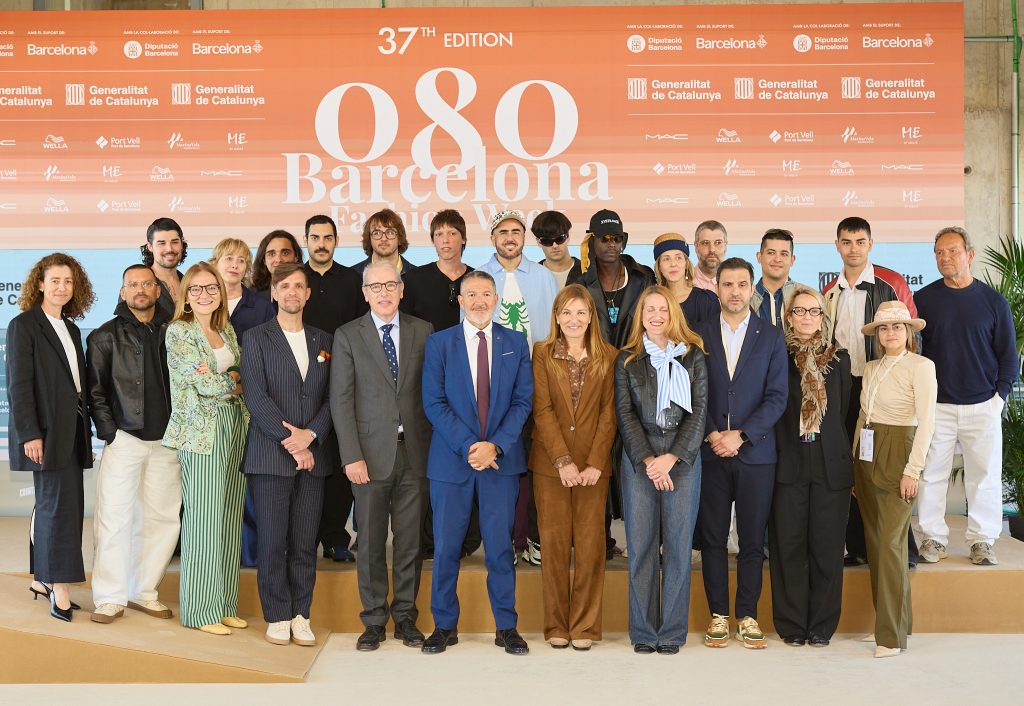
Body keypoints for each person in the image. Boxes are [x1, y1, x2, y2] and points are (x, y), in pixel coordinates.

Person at [421, 270, 533, 656]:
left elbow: (522, 401)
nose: (480, 301)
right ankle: (443, 626)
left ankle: (506, 626)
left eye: (486, 294)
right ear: (460, 300)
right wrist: (471, 445)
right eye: (472, 294)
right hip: (452, 462)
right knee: (446, 548)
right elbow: (433, 401)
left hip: (500, 464)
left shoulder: (514, 342)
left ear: (496, 299)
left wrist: (495, 447)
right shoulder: (439, 343)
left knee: (500, 548)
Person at [333, 262, 434, 652]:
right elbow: (341, 401)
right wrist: (351, 456)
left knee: (409, 542)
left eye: (391, 284)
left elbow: (432, 393)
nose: (384, 292)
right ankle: (374, 619)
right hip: (368, 457)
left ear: (401, 289)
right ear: (365, 293)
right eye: (375, 286)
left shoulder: (423, 331)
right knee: (371, 542)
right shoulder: (348, 335)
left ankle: (406, 617)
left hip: (415, 454)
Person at [694, 257, 787, 650]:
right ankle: (718, 615)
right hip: (711, 452)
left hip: (756, 455)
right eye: (727, 284)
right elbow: (691, 392)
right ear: (716, 288)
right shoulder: (698, 334)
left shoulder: (771, 336)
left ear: (753, 289)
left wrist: (742, 436)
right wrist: (713, 433)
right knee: (713, 539)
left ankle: (747, 615)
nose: (735, 292)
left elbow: (777, 397)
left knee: (751, 540)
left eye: (742, 284)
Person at [241, 263, 335, 648]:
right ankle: (277, 614)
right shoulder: (255, 338)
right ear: (275, 293)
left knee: (304, 543)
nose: (292, 291)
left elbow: (332, 397)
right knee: (273, 543)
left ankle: (301, 613)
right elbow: (256, 396)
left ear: (307, 294)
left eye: (299, 285)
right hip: (271, 457)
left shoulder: (324, 340)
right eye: (285, 286)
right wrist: (293, 441)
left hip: (313, 458)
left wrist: (310, 436)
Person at [915, 227, 1017, 566]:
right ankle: (932, 538)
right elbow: (915, 353)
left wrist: (998, 399)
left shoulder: (994, 302)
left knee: (984, 477)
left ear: (969, 255)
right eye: (939, 253)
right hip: (938, 406)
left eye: (953, 251)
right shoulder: (923, 300)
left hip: (983, 404)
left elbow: (1008, 357)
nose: (945, 258)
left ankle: (982, 541)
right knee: (932, 474)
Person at [615, 286, 708, 654]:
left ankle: (671, 632)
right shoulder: (626, 360)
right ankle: (642, 631)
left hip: (682, 461)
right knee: (640, 547)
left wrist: (673, 457)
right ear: (641, 315)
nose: (656, 316)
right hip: (640, 461)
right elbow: (625, 414)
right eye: (649, 309)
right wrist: (648, 459)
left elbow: (699, 412)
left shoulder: (693, 355)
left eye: (663, 310)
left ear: (673, 315)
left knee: (678, 548)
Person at [822, 216, 919, 567]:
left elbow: (912, 337)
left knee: (887, 470)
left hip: (881, 383)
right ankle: (858, 546)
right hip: (843, 390)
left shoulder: (890, 283)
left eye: (860, 242)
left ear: (870, 244)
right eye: (846, 242)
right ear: (837, 245)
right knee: (853, 467)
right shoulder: (829, 291)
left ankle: (904, 550)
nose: (853, 249)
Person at [87, 264, 180, 625]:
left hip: (167, 441)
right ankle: (110, 597)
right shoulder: (104, 336)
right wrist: (110, 433)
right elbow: (95, 392)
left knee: (162, 519)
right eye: (133, 285)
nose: (140, 290)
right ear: (123, 292)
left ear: (158, 290)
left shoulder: (175, 332)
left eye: (147, 284)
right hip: (125, 439)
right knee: (114, 519)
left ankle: (143, 591)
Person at [7, 253, 95, 622]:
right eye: (55, 280)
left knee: (59, 506)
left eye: (68, 281)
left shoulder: (71, 329)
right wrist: (30, 433)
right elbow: (19, 385)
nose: (62, 287)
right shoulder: (24, 325)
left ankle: (42, 579)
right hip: (45, 434)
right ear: (40, 284)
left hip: (72, 430)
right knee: (58, 509)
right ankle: (60, 586)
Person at [163, 262, 249, 635]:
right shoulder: (179, 332)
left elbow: (240, 374)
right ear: (186, 296)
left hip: (234, 425)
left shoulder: (225, 329)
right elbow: (205, 384)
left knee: (228, 517)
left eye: (211, 287)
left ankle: (224, 604)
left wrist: (230, 379)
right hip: (201, 433)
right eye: (196, 288)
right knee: (203, 520)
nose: (204, 294)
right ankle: (200, 611)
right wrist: (231, 381)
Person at [530, 285, 617, 650]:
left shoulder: (609, 356)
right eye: (566, 312)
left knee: (590, 546)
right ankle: (555, 624)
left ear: (591, 316)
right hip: (551, 465)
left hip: (593, 468)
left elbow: (609, 414)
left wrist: (595, 462)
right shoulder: (542, 353)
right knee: (552, 546)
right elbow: (542, 409)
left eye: (581, 312)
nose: (573, 319)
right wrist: (562, 460)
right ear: (556, 316)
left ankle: (584, 627)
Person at [768, 286, 852, 647]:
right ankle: (791, 625)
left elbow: (845, 412)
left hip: (830, 463)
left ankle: (821, 626)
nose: (806, 317)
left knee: (827, 549)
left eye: (813, 311)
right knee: (788, 546)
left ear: (823, 317)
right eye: (799, 311)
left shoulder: (840, 359)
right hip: (788, 461)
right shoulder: (776, 356)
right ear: (788, 317)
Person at [853, 301, 936, 658]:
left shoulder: (922, 366)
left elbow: (928, 422)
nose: (890, 333)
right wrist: (856, 462)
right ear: (877, 335)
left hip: (900, 449)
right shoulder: (871, 367)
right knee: (875, 543)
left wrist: (912, 470)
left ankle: (890, 636)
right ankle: (893, 623)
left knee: (890, 544)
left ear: (909, 332)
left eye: (898, 327)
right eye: (884, 328)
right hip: (868, 453)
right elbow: (863, 416)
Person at [477, 209, 558, 565]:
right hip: (494, 387)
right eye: (502, 232)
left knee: (538, 462)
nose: (509, 237)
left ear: (525, 237)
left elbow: (553, 330)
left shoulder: (542, 277)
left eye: (515, 231)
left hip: (538, 383)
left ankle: (535, 538)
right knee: (502, 464)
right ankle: (506, 541)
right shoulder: (479, 277)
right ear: (492, 237)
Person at [400, 209, 481, 560]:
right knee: (432, 464)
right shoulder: (415, 280)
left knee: (471, 455)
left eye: (452, 233)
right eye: (439, 234)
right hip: (426, 383)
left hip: (473, 384)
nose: (446, 240)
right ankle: (428, 540)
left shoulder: (478, 279)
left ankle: (468, 539)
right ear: (432, 240)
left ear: (463, 238)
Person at [302, 214, 367, 563]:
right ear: (306, 241)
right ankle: (304, 538)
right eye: (315, 237)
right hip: (301, 382)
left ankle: (335, 538)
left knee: (341, 462)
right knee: (309, 462)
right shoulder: (296, 280)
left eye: (328, 238)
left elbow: (362, 329)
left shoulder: (352, 280)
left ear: (336, 241)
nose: (321, 244)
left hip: (344, 381)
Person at [211, 237, 275, 567]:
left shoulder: (262, 306)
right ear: (216, 263)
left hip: (251, 404)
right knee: (216, 483)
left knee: (248, 481)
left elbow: (269, 354)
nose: (235, 265)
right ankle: (217, 551)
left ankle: (249, 552)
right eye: (229, 259)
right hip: (211, 406)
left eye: (241, 260)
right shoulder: (202, 301)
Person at [570, 209, 656, 350]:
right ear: (592, 241)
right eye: (605, 238)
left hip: (634, 359)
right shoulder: (579, 277)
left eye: (617, 238)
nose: (612, 244)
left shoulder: (644, 276)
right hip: (593, 359)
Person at [652, 232, 720, 327]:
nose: (673, 264)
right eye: (666, 259)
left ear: (686, 264)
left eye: (678, 258)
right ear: (659, 267)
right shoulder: (652, 302)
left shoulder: (707, 300)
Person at [750, 229, 809, 328]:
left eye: (784, 254)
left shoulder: (809, 296)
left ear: (792, 260)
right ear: (759, 257)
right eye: (771, 253)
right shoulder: (746, 298)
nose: (777, 259)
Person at [141, 217, 187, 320]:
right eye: (161, 243)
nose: (169, 249)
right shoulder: (138, 283)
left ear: (182, 244)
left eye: (174, 242)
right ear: (150, 247)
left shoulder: (189, 283)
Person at [353, 208, 418, 275]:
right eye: (377, 233)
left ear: (399, 238)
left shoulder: (417, 276)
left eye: (390, 232)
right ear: (369, 239)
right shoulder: (353, 275)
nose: (384, 239)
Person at [533, 210, 581, 288]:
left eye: (559, 239)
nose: (555, 246)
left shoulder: (588, 272)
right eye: (547, 241)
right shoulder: (532, 275)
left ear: (567, 237)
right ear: (539, 242)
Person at [252, 229, 303, 297]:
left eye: (285, 253)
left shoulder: (309, 288)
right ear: (264, 260)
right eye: (271, 254)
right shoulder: (251, 294)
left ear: (296, 257)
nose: (278, 260)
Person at [692, 220, 728, 292]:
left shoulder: (738, 284)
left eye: (718, 242)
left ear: (725, 246)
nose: (712, 250)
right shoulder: (683, 283)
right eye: (705, 243)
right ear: (696, 246)